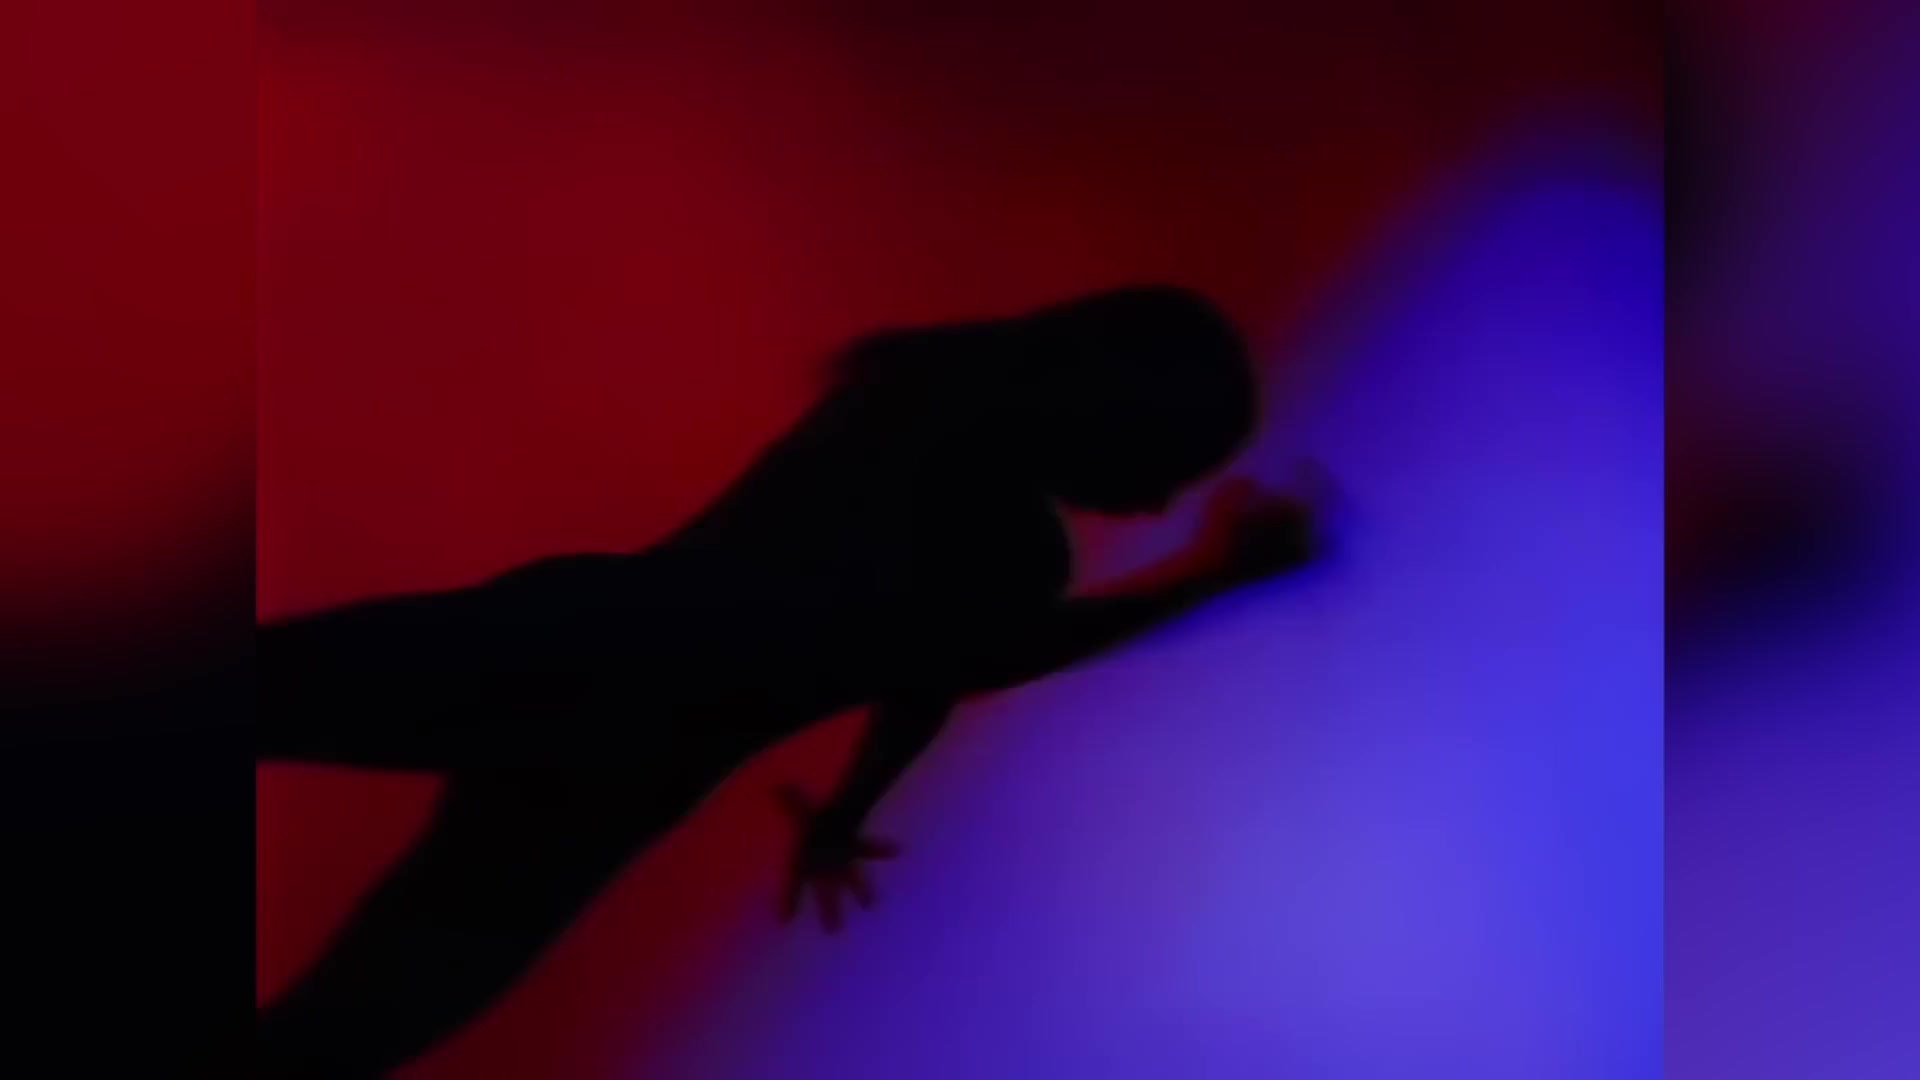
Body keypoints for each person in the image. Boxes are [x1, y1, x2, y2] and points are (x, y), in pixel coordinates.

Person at [257, 285, 1335, 1075]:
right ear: (1112, 407)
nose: (1155, 503)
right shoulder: (997, 527)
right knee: (352, 1022)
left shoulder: (915, 390)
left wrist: (847, 808)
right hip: (617, 751)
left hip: (575, 646)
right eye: (1165, 464)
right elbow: (970, 655)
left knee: (246, 720)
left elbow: (929, 668)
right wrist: (1207, 580)